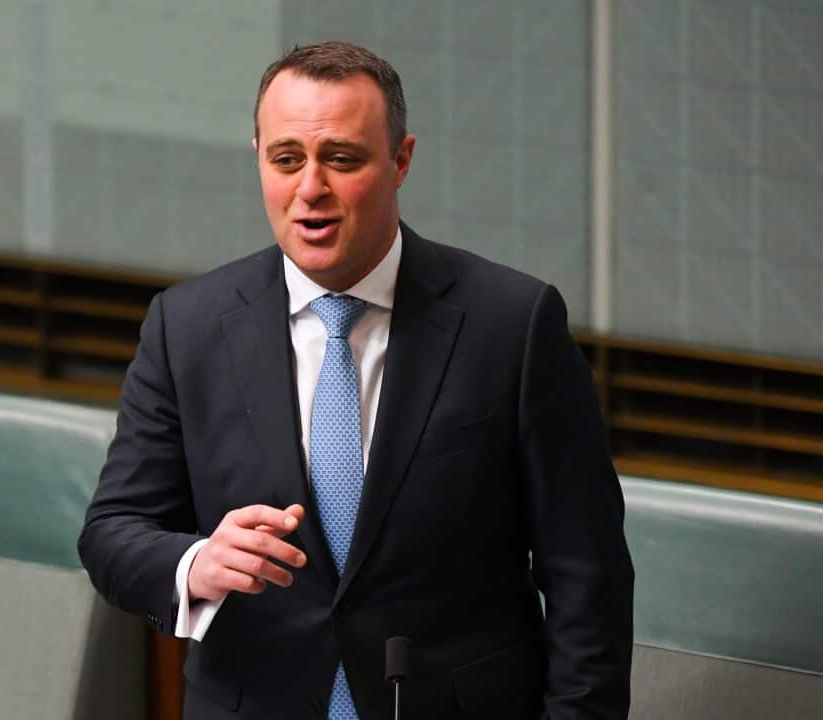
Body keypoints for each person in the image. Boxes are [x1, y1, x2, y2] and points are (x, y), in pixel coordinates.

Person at [78, 41, 634, 720]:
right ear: (257, 155)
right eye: (286, 159)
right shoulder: (186, 326)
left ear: (401, 161)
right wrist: (196, 563)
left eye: (341, 159)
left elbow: (587, 575)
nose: (311, 187)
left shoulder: (511, 326)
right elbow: (112, 532)